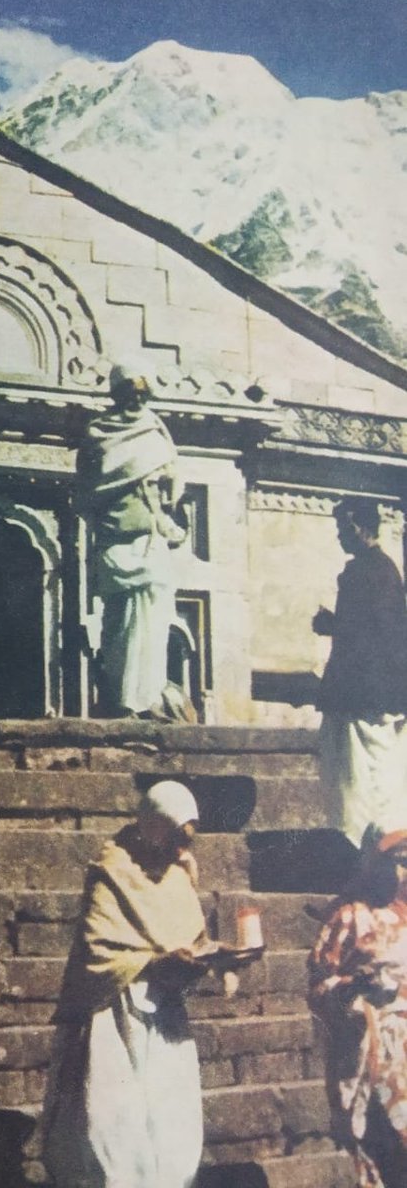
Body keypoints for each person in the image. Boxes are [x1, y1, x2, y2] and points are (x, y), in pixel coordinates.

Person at [42, 780, 210, 1188]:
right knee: (115, 1128)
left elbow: (191, 935)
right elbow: (98, 949)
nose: (180, 850)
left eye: (185, 841)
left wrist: (209, 958)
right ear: (155, 828)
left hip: (166, 1015)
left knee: (172, 1125)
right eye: (173, 839)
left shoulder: (178, 873)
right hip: (115, 1012)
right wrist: (151, 962)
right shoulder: (112, 869)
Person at [76, 361, 189, 718]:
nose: (137, 401)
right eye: (130, 394)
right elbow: (90, 489)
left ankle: (149, 698)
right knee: (122, 626)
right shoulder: (99, 433)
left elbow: (172, 486)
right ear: (117, 395)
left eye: (143, 394)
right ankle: (121, 700)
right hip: (117, 542)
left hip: (151, 541)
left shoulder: (155, 432)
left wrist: (166, 486)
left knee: (155, 622)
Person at [308, 827, 407, 1187]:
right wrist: (353, 986)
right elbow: (319, 989)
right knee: (389, 1156)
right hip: (374, 1052)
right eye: (400, 862)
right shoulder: (351, 916)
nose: (405, 873)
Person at [313, 498, 407, 847]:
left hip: (363, 695)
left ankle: (361, 848)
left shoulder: (367, 572)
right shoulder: (383, 570)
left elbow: (375, 634)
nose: (340, 536)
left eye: (345, 528)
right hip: (372, 694)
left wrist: (332, 625)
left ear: (363, 528)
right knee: (368, 775)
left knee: (357, 778)